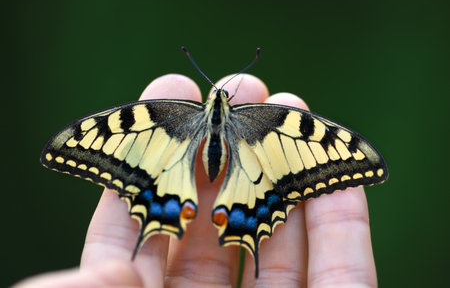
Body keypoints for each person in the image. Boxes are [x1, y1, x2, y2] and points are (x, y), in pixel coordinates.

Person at [14, 74, 377, 287]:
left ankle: (180, 209)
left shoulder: (158, 118)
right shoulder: (271, 121)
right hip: (249, 191)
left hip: (181, 181)